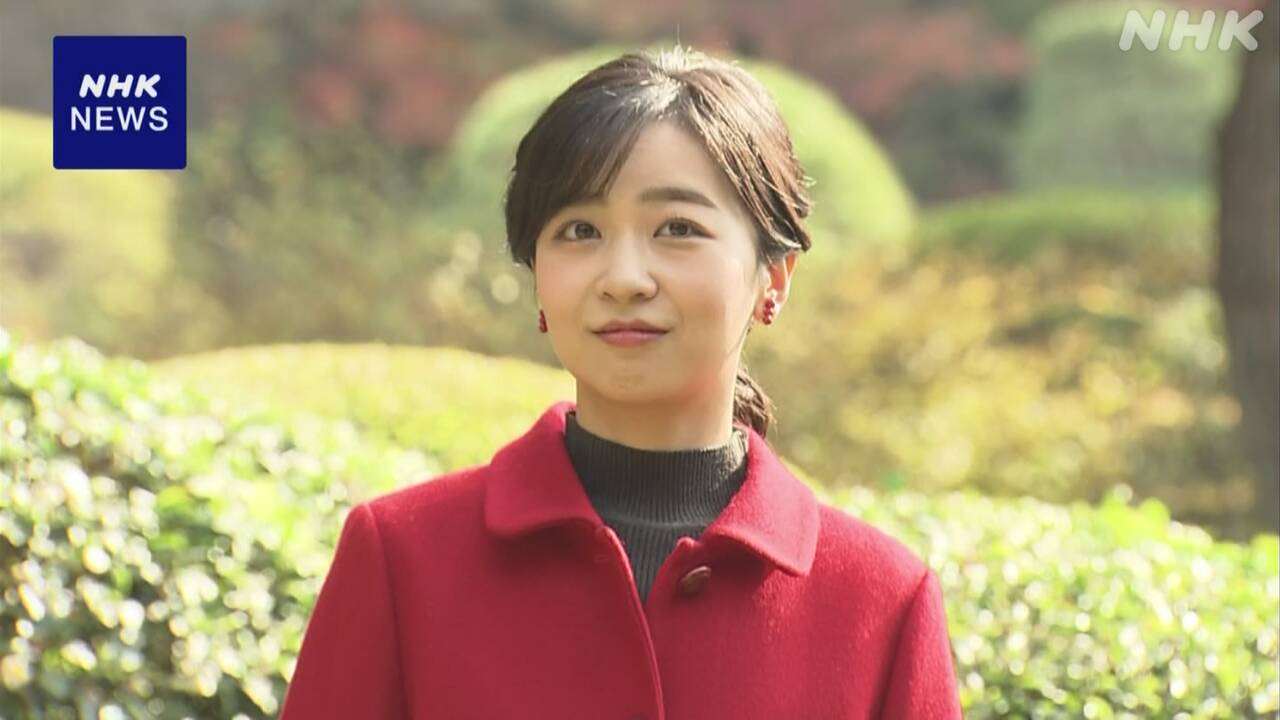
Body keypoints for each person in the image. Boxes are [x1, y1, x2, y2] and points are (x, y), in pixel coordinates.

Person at [279, 44, 963, 719]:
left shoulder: (881, 602)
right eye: (580, 231)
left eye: (677, 228)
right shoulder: (402, 560)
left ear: (773, 279)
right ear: (538, 278)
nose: (625, 279)